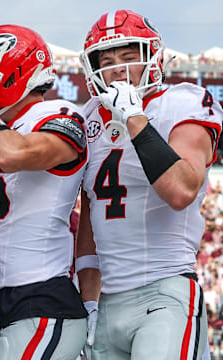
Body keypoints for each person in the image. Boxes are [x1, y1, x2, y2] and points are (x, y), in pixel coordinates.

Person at [75, 9, 223, 360]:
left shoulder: (183, 102)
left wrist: (135, 117)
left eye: (129, 57)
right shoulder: (89, 117)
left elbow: (181, 190)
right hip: (107, 300)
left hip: (165, 292)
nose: (118, 70)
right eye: (107, 60)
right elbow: (90, 224)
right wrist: (90, 301)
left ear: (153, 58)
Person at [0, 24, 89, 359]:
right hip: (6, 300)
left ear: (14, 76)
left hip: (45, 301)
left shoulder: (58, 113)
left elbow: (13, 154)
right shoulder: (1, 135)